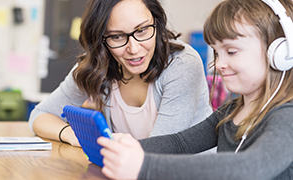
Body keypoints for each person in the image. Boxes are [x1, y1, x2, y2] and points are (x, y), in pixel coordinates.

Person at [97, 0, 293, 179]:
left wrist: (144, 166)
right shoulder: (231, 111)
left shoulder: (287, 116)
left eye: (231, 51)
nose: (219, 64)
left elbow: (252, 167)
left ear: (280, 53)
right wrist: (124, 148)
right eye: (217, 53)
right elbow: (180, 143)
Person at [28, 0, 212, 146]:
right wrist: (71, 134)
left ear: (157, 24)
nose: (133, 49)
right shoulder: (97, 66)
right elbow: (40, 115)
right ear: (101, 40)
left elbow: (161, 151)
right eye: (117, 36)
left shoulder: (182, 64)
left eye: (141, 30)